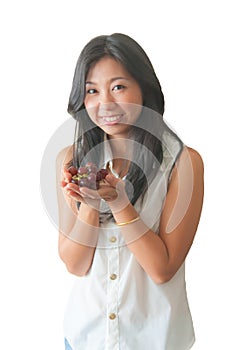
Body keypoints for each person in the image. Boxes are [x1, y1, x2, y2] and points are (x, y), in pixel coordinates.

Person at [56, 33, 204, 350]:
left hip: (155, 339)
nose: (105, 103)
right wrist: (92, 205)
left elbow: (162, 269)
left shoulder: (184, 163)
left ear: (144, 88)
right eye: (91, 91)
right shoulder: (71, 160)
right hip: (85, 337)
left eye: (118, 87)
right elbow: (75, 264)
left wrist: (120, 203)